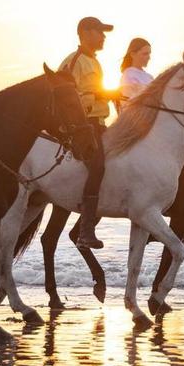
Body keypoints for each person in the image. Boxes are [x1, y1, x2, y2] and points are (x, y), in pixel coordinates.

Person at [59, 16, 119, 249]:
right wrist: (103, 95)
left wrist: (110, 95)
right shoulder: (74, 61)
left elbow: (94, 92)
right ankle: (85, 230)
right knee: (98, 165)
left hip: (99, 122)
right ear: (85, 32)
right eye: (99, 32)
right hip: (82, 126)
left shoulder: (94, 61)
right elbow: (69, 99)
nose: (103, 37)